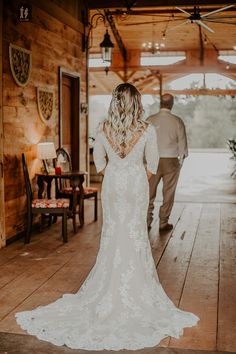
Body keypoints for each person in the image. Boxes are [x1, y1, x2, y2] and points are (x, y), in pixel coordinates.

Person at [15, 84, 198, 351]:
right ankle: (136, 289)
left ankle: (107, 286)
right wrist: (135, 176)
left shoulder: (103, 128)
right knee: (134, 233)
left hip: (112, 185)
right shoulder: (146, 130)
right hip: (135, 185)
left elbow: (98, 160)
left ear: (115, 102)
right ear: (136, 103)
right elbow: (153, 164)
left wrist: (113, 171)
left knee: (113, 233)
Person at [147, 93, 188, 232]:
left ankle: (146, 221)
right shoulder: (177, 121)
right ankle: (163, 223)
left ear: (160, 104)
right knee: (168, 193)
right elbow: (183, 147)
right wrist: (180, 163)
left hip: (152, 160)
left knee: (148, 192)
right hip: (171, 160)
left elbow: (143, 143)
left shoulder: (149, 120)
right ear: (172, 104)